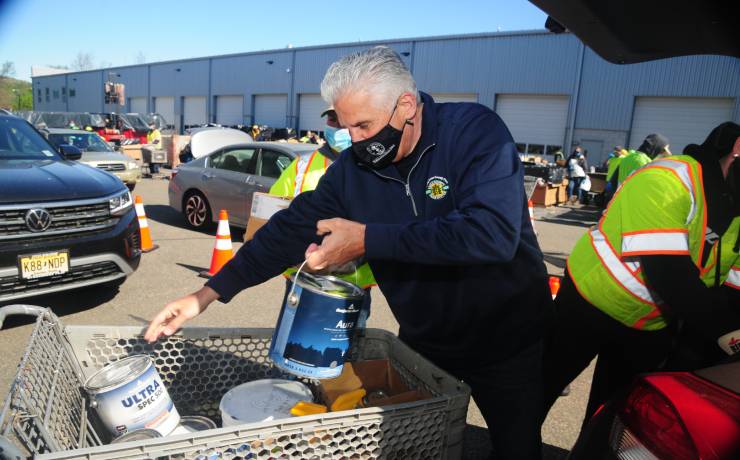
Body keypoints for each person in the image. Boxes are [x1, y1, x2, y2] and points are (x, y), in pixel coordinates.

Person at [145, 46, 551, 460]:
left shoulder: (473, 133)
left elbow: (491, 234)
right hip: (428, 342)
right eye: (346, 125)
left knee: (515, 447)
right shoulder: (355, 169)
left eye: (364, 125)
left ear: (406, 105)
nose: (356, 140)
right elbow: (289, 228)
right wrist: (208, 294)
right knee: (422, 446)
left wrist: (367, 239)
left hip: (507, 341)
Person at [541, 122, 740, 428]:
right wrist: (731, 335)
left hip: (650, 324)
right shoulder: (668, 178)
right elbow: (668, 272)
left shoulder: (733, 205)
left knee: (609, 416)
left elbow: (725, 279)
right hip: (591, 301)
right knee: (543, 387)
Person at [269, 107, 375, 326]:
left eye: (345, 119)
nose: (338, 126)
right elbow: (270, 213)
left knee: (349, 353)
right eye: (332, 119)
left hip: (354, 285)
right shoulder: (301, 166)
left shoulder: (377, 167)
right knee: (294, 346)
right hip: (304, 278)